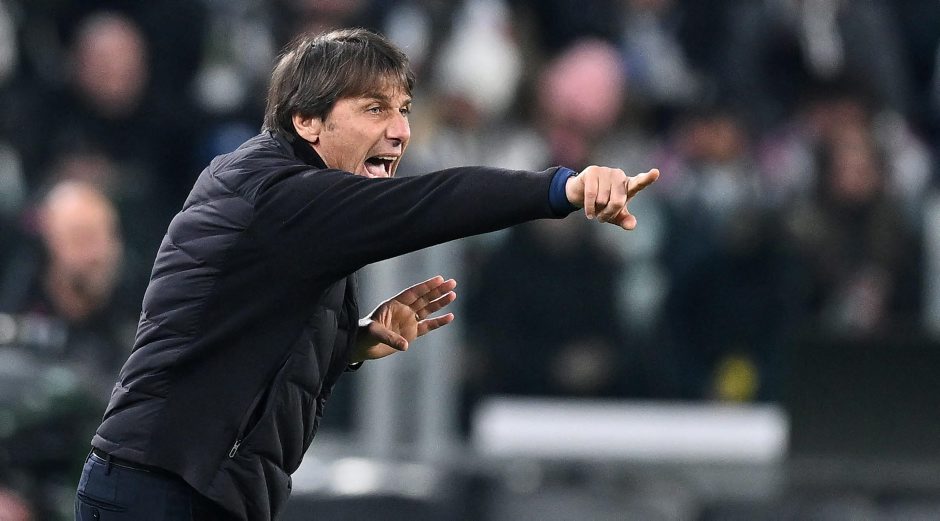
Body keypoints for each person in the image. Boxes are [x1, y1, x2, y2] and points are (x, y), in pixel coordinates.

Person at [73, 28, 660, 521]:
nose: (401, 130)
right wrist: (564, 188)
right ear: (307, 120)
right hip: (163, 490)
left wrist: (348, 343)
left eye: (404, 109)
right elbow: (434, 202)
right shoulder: (284, 196)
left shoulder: (279, 195)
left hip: (178, 486)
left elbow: (236, 333)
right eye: (375, 108)